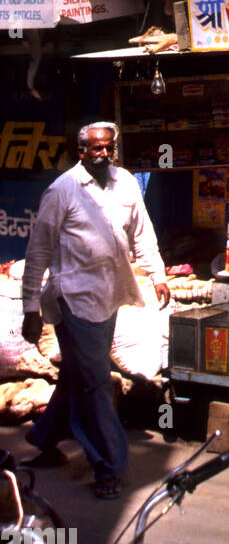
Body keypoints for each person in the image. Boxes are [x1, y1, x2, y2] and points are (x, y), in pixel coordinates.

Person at [20, 122, 169, 499]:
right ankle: (108, 467)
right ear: (80, 150)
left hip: (109, 295)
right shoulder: (62, 191)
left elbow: (142, 233)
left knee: (78, 375)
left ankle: (44, 438)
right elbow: (37, 252)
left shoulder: (127, 183)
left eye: (108, 148)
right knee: (97, 383)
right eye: (94, 149)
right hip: (72, 298)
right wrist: (30, 308)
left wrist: (158, 275)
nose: (102, 154)